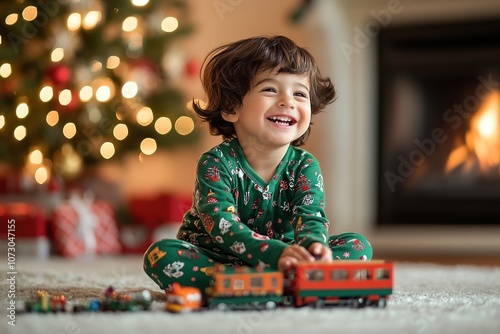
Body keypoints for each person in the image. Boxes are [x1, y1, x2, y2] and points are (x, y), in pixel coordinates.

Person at [143, 35, 372, 293]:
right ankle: (280, 282)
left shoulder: (305, 166)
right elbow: (222, 225)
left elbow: (311, 217)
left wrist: (313, 248)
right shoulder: (216, 163)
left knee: (358, 246)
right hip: (219, 257)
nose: (288, 101)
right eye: (270, 89)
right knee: (161, 254)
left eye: (299, 93)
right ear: (231, 108)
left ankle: (261, 283)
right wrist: (274, 254)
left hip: (287, 257)